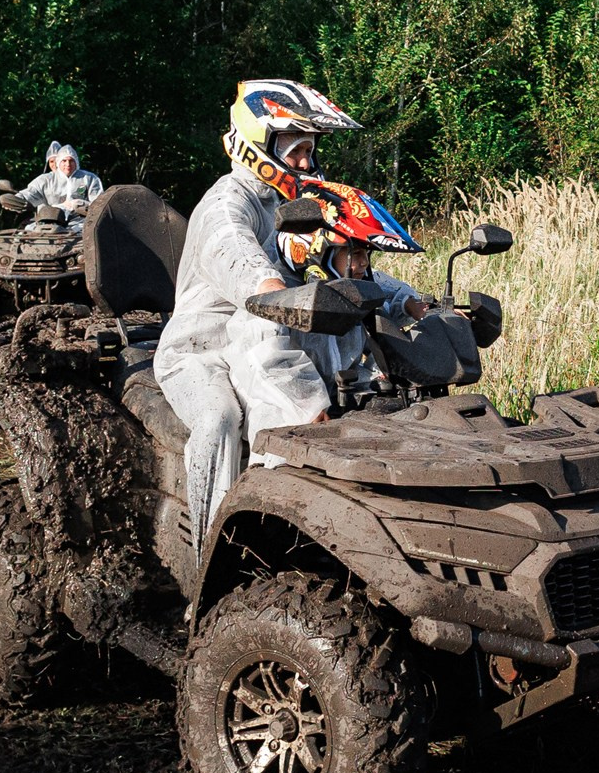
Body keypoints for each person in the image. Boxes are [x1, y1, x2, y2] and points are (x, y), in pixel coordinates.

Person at [153, 80, 430, 550]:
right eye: (296, 149)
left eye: (309, 149)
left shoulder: (294, 202)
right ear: (258, 145)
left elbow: (340, 259)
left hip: (264, 337)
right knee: (220, 418)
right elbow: (238, 257)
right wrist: (272, 287)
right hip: (201, 351)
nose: (305, 160)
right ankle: (210, 543)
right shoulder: (226, 204)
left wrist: (409, 301)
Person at [12, 142, 102, 219]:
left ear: (76, 162)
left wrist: (81, 204)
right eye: (64, 161)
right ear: (58, 162)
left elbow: (99, 204)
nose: (68, 164)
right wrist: (15, 200)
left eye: (71, 161)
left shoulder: (89, 178)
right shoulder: (45, 180)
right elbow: (31, 193)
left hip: (80, 222)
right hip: (49, 222)